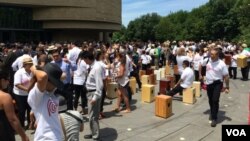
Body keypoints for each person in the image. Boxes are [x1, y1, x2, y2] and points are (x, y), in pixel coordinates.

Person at [27, 63, 64, 140]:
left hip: (56, 137)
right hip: (45, 138)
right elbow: (43, 76)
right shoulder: (36, 94)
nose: (55, 86)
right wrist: (34, 69)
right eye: (54, 83)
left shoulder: (50, 94)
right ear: (47, 81)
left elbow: (64, 76)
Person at [0, 64, 29, 141]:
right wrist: (24, 136)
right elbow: (12, 119)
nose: (8, 82)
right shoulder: (5, 97)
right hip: (4, 132)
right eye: (7, 79)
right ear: (2, 80)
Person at [205, 48, 229, 127]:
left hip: (217, 84)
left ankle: (214, 118)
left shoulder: (222, 64)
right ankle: (212, 112)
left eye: (214, 54)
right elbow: (200, 65)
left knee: (215, 100)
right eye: (211, 54)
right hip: (209, 84)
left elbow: (226, 76)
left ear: (218, 55)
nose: (212, 56)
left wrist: (227, 86)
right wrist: (200, 75)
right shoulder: (207, 61)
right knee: (210, 100)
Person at [83, 51, 103, 141]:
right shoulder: (92, 66)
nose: (84, 62)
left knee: (93, 116)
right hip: (90, 93)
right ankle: (93, 132)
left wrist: (95, 97)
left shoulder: (97, 68)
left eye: (84, 59)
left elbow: (100, 85)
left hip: (94, 93)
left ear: (87, 58)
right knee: (91, 116)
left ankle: (96, 136)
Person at [13, 57, 33, 128]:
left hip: (29, 93)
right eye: (29, 64)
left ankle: (30, 123)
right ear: (24, 65)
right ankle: (21, 125)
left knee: (30, 109)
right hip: (20, 94)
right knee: (22, 110)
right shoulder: (19, 73)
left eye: (31, 64)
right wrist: (27, 89)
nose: (31, 65)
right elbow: (17, 84)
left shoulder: (33, 71)